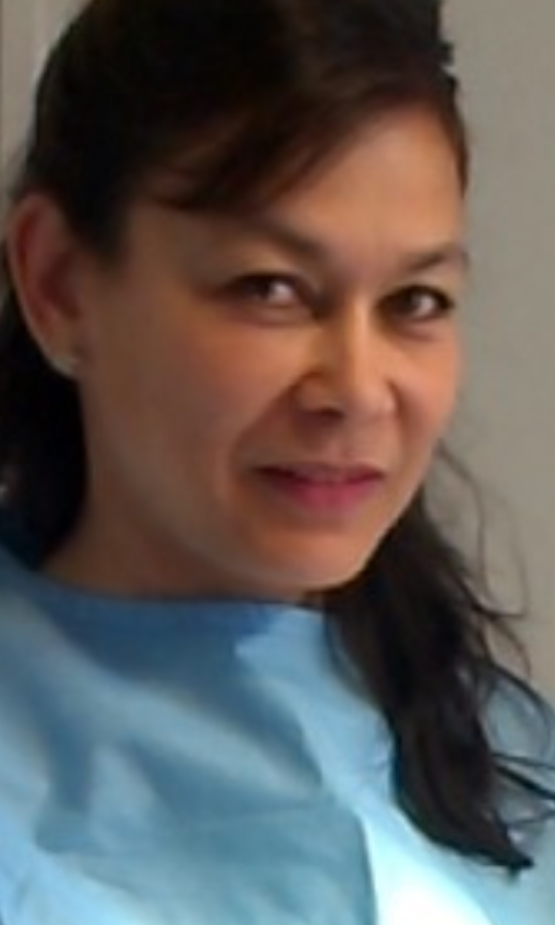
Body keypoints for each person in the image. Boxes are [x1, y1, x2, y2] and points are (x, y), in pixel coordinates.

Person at [0, 0, 553, 921]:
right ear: (58, 283)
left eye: (414, 301)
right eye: (271, 289)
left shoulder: (497, 746)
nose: (357, 390)